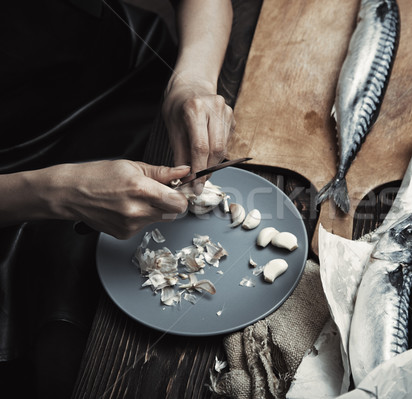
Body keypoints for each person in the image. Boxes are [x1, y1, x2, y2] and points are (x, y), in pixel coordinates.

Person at [0, 0, 235, 396]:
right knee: (68, 353)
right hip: (14, 182)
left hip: (130, 71)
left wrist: (190, 81)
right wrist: (55, 192)